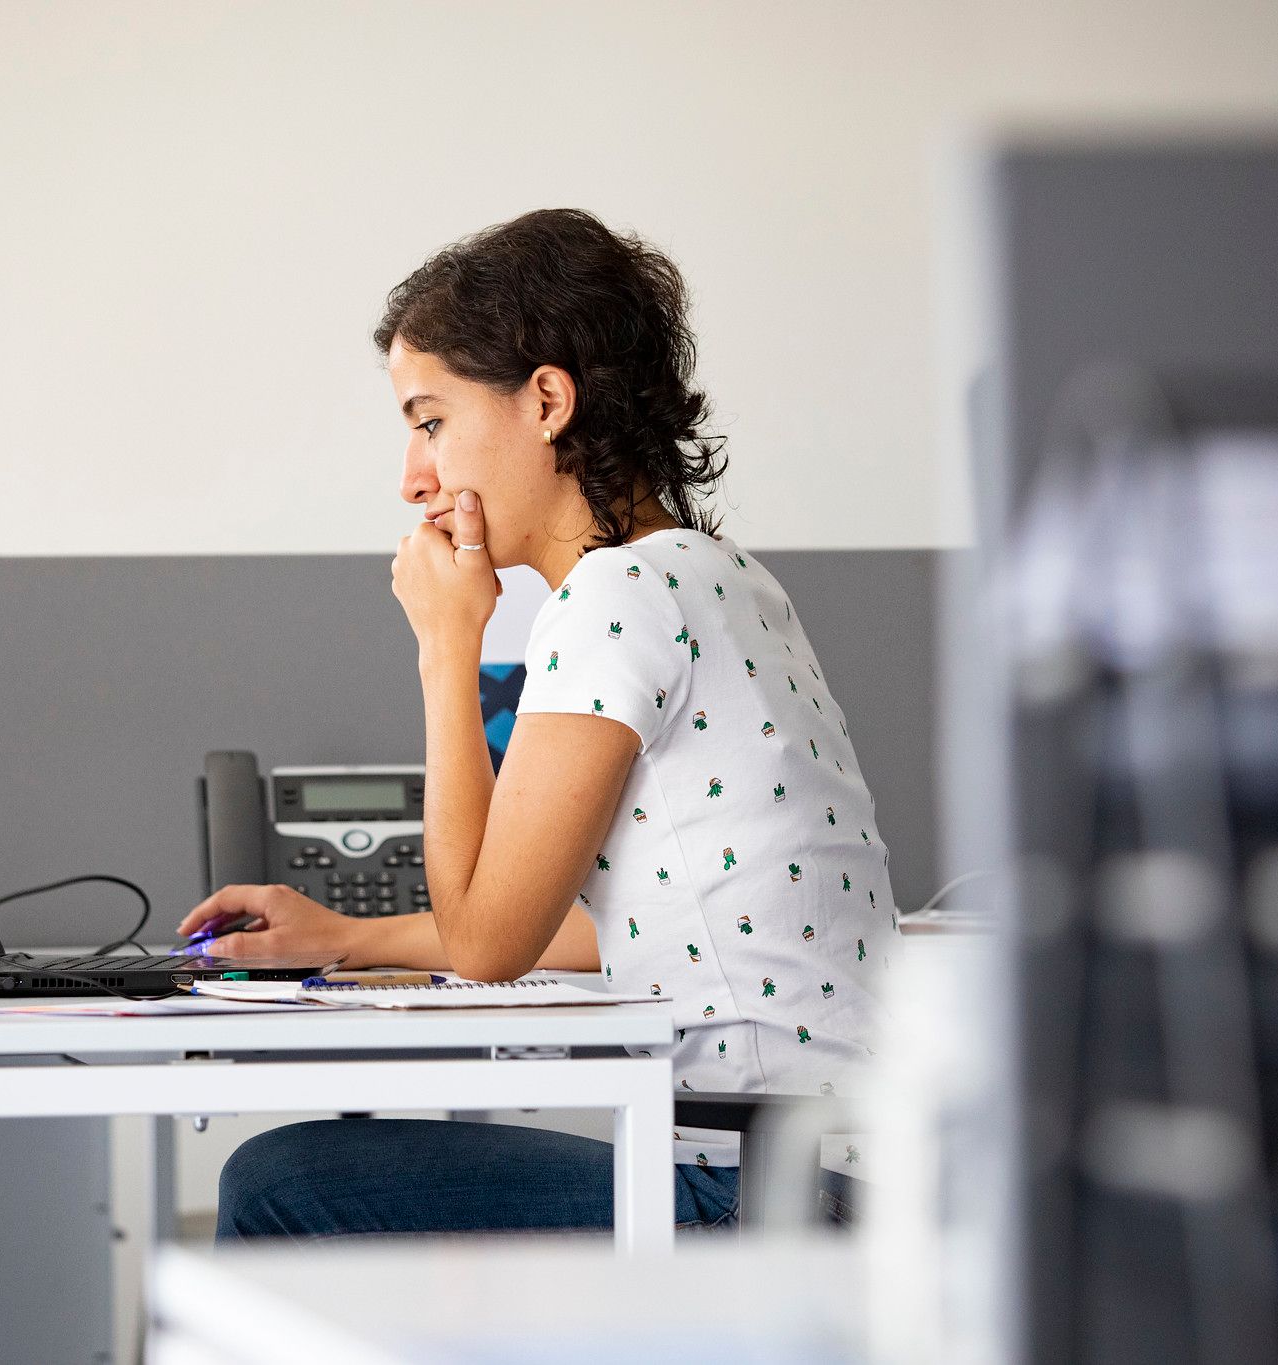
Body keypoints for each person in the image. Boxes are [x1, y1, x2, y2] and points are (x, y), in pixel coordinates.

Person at [180, 208, 893, 1240]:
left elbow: (486, 945)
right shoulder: (720, 576)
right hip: (844, 1176)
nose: (411, 477)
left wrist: (445, 645)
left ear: (546, 400)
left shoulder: (610, 599)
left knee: (280, 1182)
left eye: (430, 422)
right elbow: (624, 917)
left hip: (762, 1196)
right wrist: (348, 937)